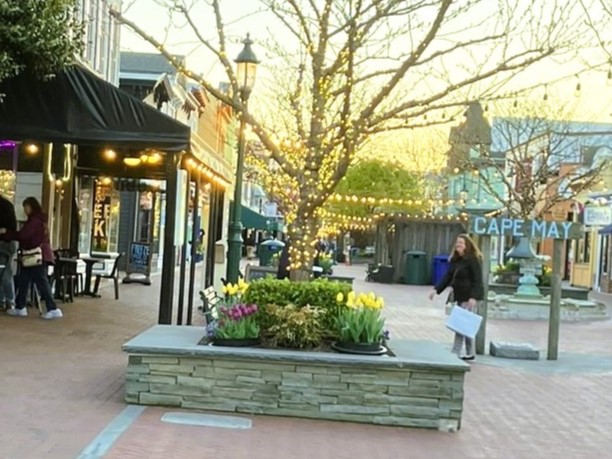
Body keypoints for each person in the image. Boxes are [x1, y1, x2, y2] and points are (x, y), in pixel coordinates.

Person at [0, 197, 62, 319]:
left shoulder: (35, 221)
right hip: (31, 256)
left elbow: (23, 235)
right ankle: (20, 306)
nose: (25, 210)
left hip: (36, 256)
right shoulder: (37, 220)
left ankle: (53, 308)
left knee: (41, 282)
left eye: (26, 207)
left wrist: (6, 233)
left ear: (31, 206)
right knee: (23, 281)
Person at [429, 234, 483, 361]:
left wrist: (474, 297)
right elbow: (447, 277)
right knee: (465, 324)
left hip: (468, 297)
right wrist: (436, 290)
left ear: (467, 246)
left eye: (461, 243)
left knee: (461, 325)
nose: (458, 245)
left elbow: (478, 280)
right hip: (459, 296)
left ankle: (456, 351)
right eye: (457, 242)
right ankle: (470, 353)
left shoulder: (472, 260)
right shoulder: (456, 260)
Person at [0, 194, 17, 309]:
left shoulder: (5, 206)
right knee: (5, 272)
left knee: (5, 273)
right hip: (7, 243)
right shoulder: (7, 205)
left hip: (4, 243)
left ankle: (7, 300)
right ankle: (7, 301)